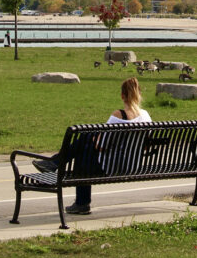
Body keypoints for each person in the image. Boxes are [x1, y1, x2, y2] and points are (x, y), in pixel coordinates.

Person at [33, 77, 152, 216]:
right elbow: (145, 146)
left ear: (122, 96)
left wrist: (97, 140)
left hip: (113, 167)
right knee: (86, 138)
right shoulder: (145, 116)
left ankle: (79, 199)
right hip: (134, 165)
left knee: (84, 143)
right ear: (139, 95)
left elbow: (101, 147)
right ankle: (54, 163)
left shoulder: (118, 115)